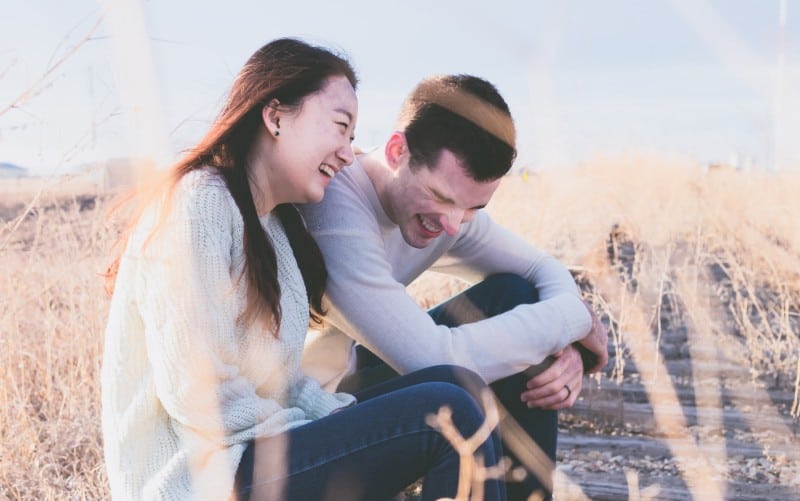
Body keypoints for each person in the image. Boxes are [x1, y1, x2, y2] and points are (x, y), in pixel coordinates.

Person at [101, 39, 506, 501]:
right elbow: (197, 393)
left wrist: (334, 420)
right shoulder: (198, 203)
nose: (348, 153)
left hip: (254, 456)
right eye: (339, 127)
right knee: (447, 410)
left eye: (353, 138)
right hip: (202, 479)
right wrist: (315, 431)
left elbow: (280, 380)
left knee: (457, 384)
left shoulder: (272, 227)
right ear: (275, 117)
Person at [298, 74, 609, 500]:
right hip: (301, 424)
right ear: (396, 151)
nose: (452, 224)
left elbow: (541, 268)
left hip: (346, 384)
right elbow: (433, 357)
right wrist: (572, 320)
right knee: (463, 387)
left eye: (473, 207)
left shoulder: (451, 214)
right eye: (440, 197)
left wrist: (566, 345)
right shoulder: (334, 206)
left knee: (515, 295)